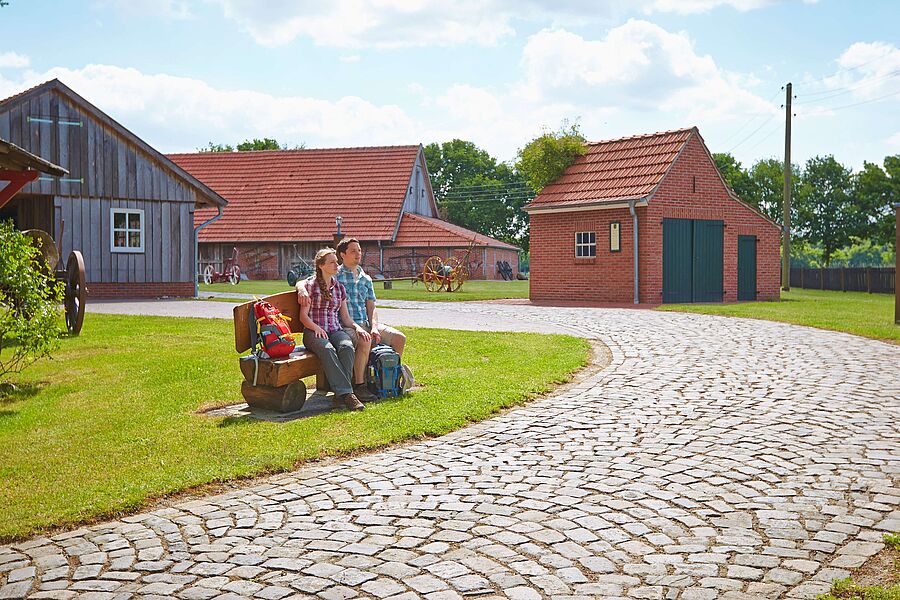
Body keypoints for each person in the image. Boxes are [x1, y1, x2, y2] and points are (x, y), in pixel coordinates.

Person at [298, 237, 407, 400]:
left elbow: (372, 307)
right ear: (342, 255)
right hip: (345, 326)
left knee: (399, 338)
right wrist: (301, 290)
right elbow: (306, 282)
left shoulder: (366, 278)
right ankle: (359, 386)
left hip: (364, 323)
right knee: (362, 340)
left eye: (360, 250)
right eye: (353, 251)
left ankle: (387, 379)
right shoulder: (335, 275)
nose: (358, 254)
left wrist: (375, 326)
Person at [296, 247, 369, 411]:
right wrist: (316, 328)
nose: (337, 265)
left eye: (337, 261)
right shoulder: (309, 286)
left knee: (347, 346)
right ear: (321, 265)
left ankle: (339, 395)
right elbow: (303, 317)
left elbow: (346, 318)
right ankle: (348, 394)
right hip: (313, 332)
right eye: (332, 262)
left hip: (335, 329)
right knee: (328, 349)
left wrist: (358, 328)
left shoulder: (339, 288)